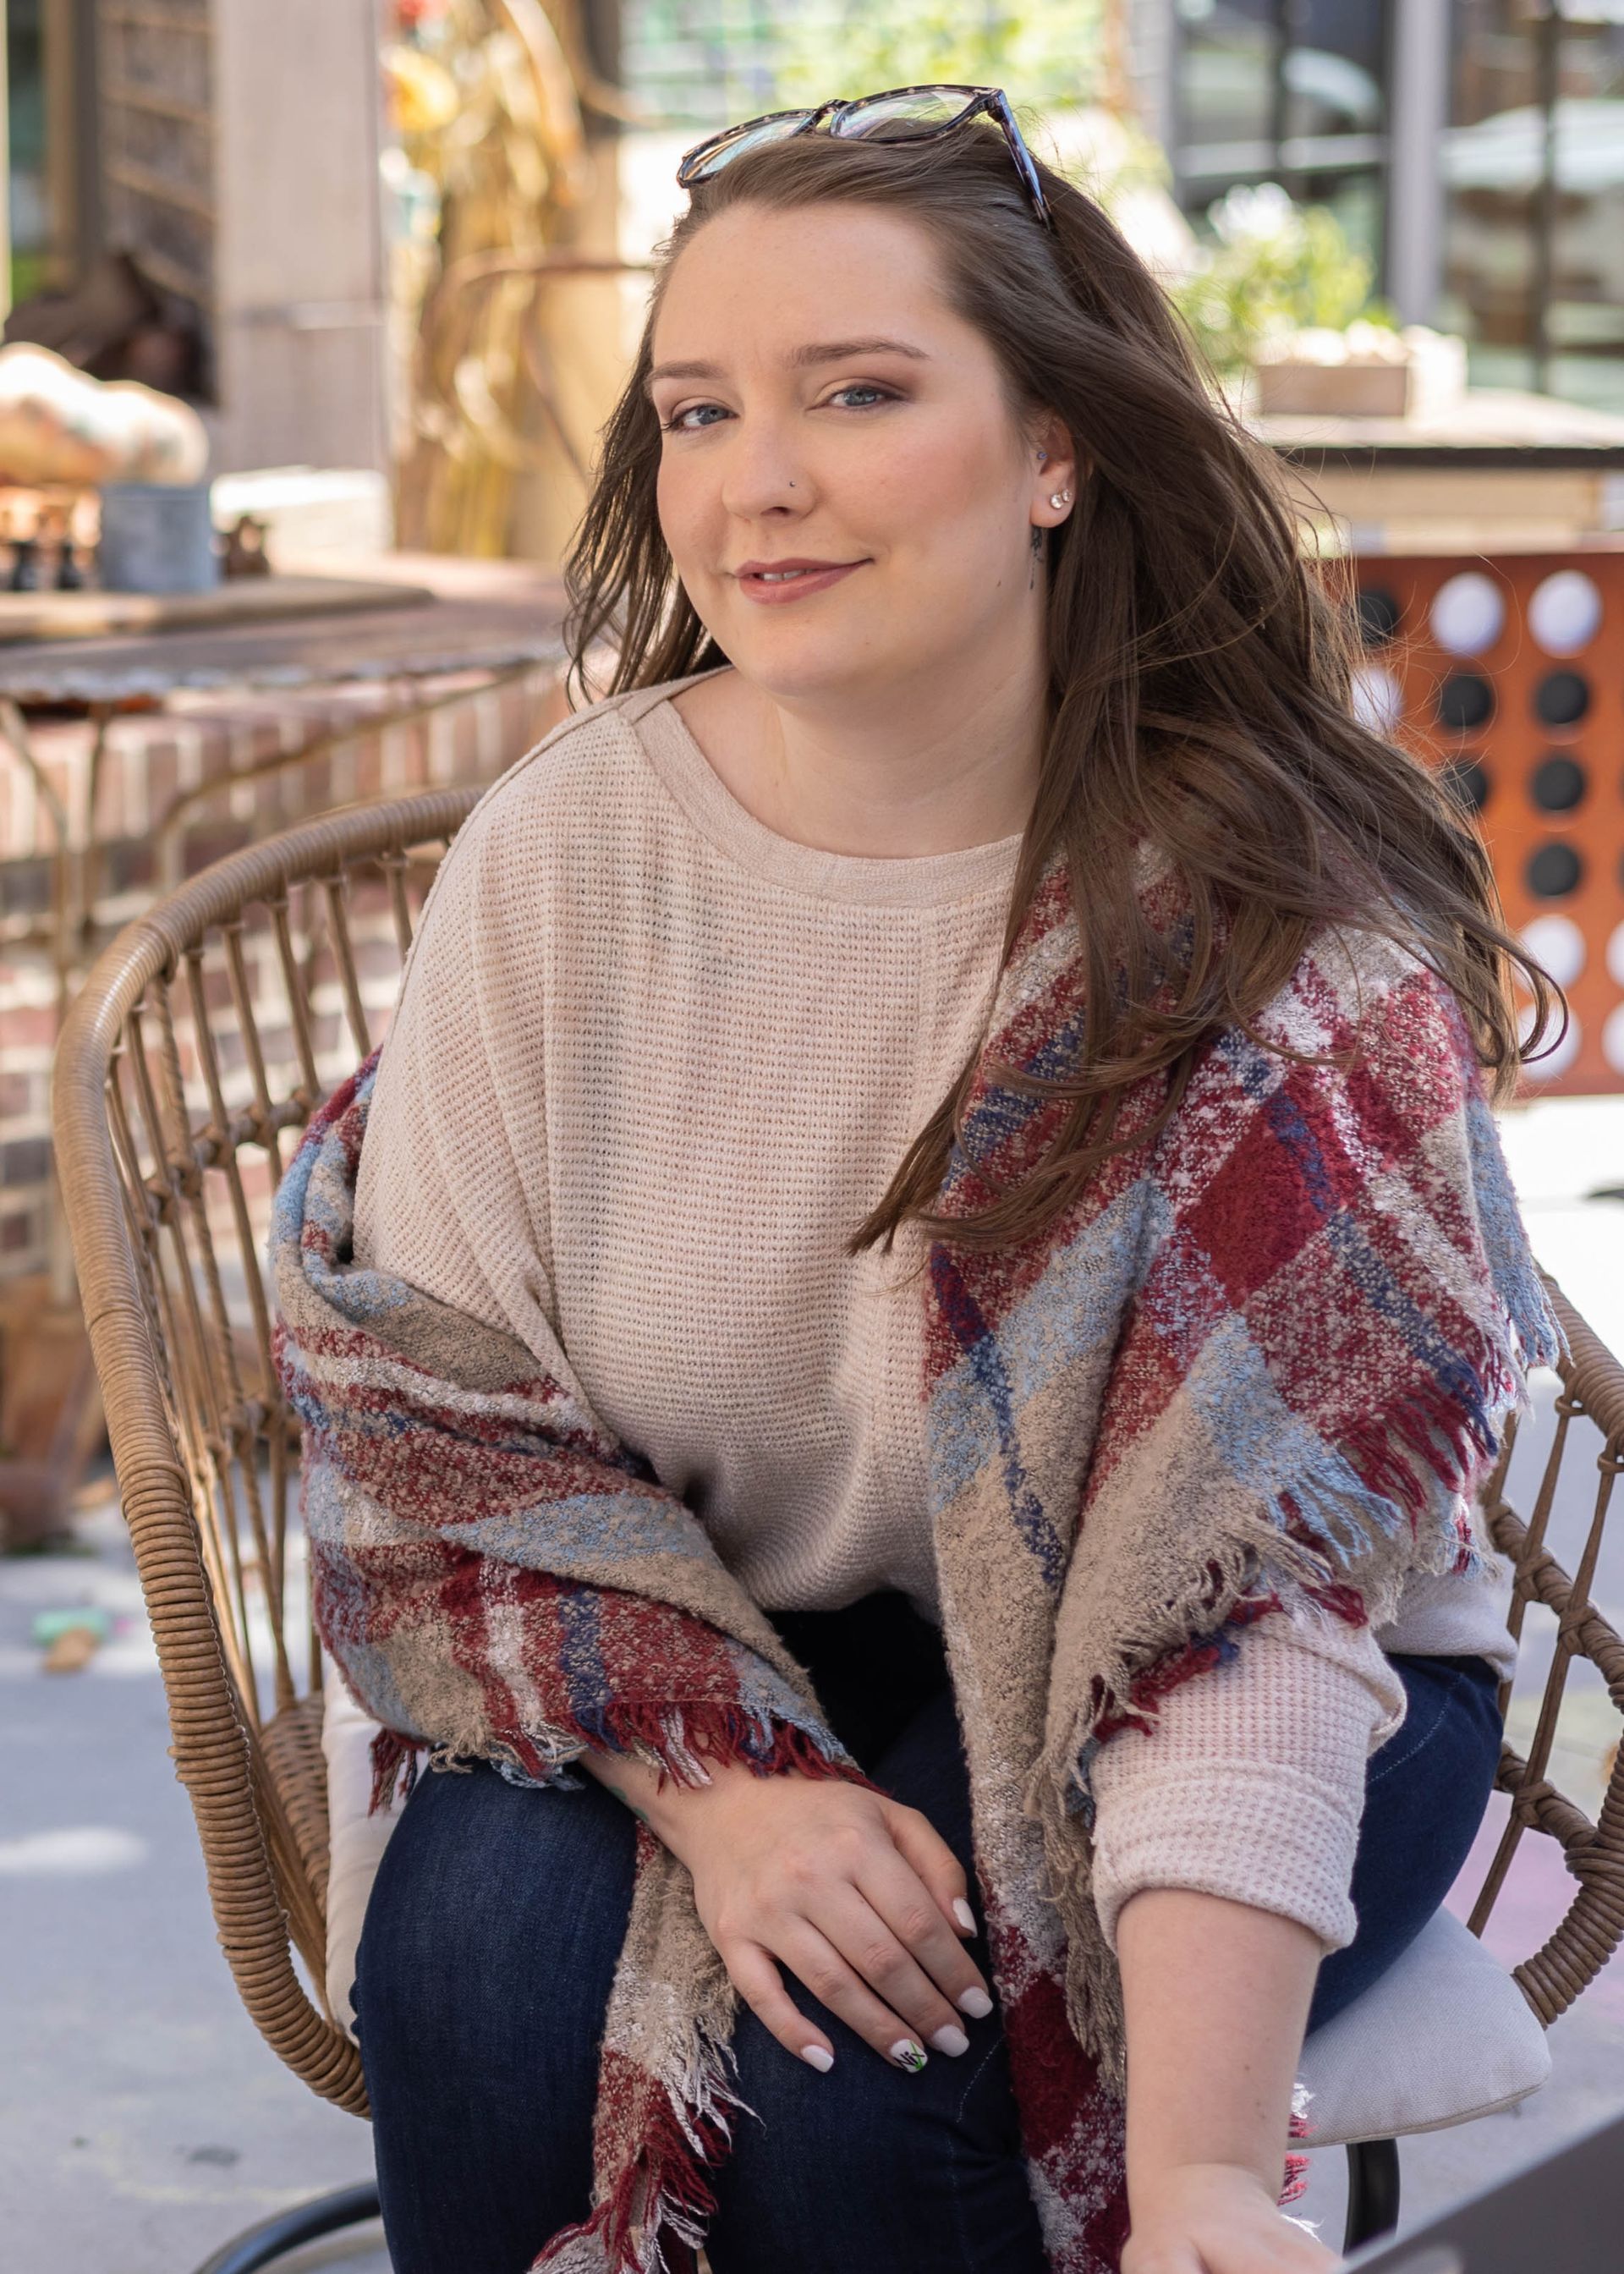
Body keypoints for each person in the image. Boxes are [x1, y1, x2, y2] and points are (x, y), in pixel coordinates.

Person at [335, 87, 1553, 2274]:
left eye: (859, 394)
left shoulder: (1263, 927)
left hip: (1275, 1676)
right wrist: (729, 1785)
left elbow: (1246, 1608)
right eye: (696, 413)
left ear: (1060, 452)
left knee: (862, 2103)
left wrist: (1192, 2178)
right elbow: (440, 1436)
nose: (755, 484)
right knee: (480, 1977)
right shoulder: (568, 857)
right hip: (698, 1622)